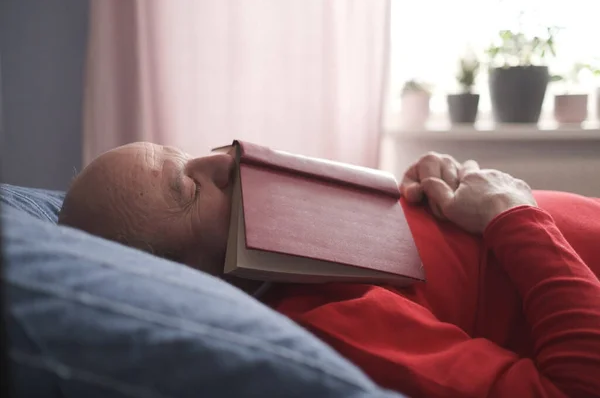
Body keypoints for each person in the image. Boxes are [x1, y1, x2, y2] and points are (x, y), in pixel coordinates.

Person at [58, 142, 600, 398]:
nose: (228, 157)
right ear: (191, 277)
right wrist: (514, 214)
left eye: (188, 152)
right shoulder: (336, 324)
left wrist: (434, 190)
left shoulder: (318, 250)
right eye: (190, 188)